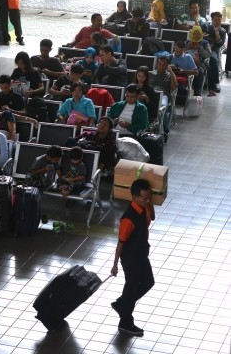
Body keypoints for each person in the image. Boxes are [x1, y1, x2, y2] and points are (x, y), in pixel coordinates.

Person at [111, 179, 155, 336]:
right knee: (131, 288)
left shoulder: (144, 208)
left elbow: (153, 217)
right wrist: (115, 264)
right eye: (145, 198)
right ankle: (125, 323)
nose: (147, 200)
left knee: (149, 282)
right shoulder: (128, 218)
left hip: (141, 253)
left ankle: (122, 304)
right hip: (131, 258)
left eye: (149, 197)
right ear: (134, 197)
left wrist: (150, 204)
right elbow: (121, 242)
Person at [149, 55, 178, 143]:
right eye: (160, 64)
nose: (162, 67)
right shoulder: (150, 74)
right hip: (152, 94)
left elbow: (174, 88)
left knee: (162, 107)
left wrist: (171, 72)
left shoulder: (170, 76)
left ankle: (165, 130)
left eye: (164, 65)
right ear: (156, 64)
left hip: (163, 95)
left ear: (167, 66)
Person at [203, 12, 226, 93]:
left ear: (221, 20)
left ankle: (215, 83)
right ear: (212, 20)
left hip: (213, 50)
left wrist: (217, 33)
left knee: (213, 58)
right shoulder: (206, 27)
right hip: (203, 49)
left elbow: (220, 44)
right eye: (215, 20)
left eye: (219, 20)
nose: (217, 22)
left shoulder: (223, 31)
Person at [186, 26, 212, 95]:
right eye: (194, 34)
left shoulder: (205, 43)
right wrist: (188, 47)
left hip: (200, 63)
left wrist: (199, 48)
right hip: (187, 62)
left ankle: (197, 90)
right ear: (192, 34)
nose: (196, 36)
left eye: (198, 34)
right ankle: (184, 88)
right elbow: (183, 52)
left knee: (198, 71)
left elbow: (208, 55)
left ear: (201, 34)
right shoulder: (188, 41)